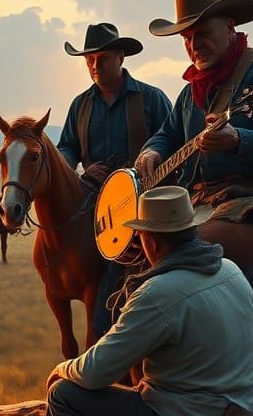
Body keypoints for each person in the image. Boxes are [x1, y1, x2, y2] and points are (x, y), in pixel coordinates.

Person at [38, 187, 253, 416]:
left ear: (152, 242)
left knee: (64, 396)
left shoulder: (159, 294)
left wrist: (62, 368)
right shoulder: (231, 270)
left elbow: (96, 372)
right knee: (145, 391)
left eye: (140, 236)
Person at [134, 0, 253, 212]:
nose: (194, 45)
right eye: (186, 37)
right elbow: (168, 134)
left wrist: (238, 139)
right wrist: (152, 151)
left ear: (230, 27)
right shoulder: (190, 92)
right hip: (201, 199)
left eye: (203, 33)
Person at [57, 22, 172, 336]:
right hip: (93, 202)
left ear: (121, 56)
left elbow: (172, 140)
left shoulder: (151, 98)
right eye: (89, 59)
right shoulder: (80, 105)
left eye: (103, 57)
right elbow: (66, 146)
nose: (95, 65)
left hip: (140, 204)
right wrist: (77, 170)